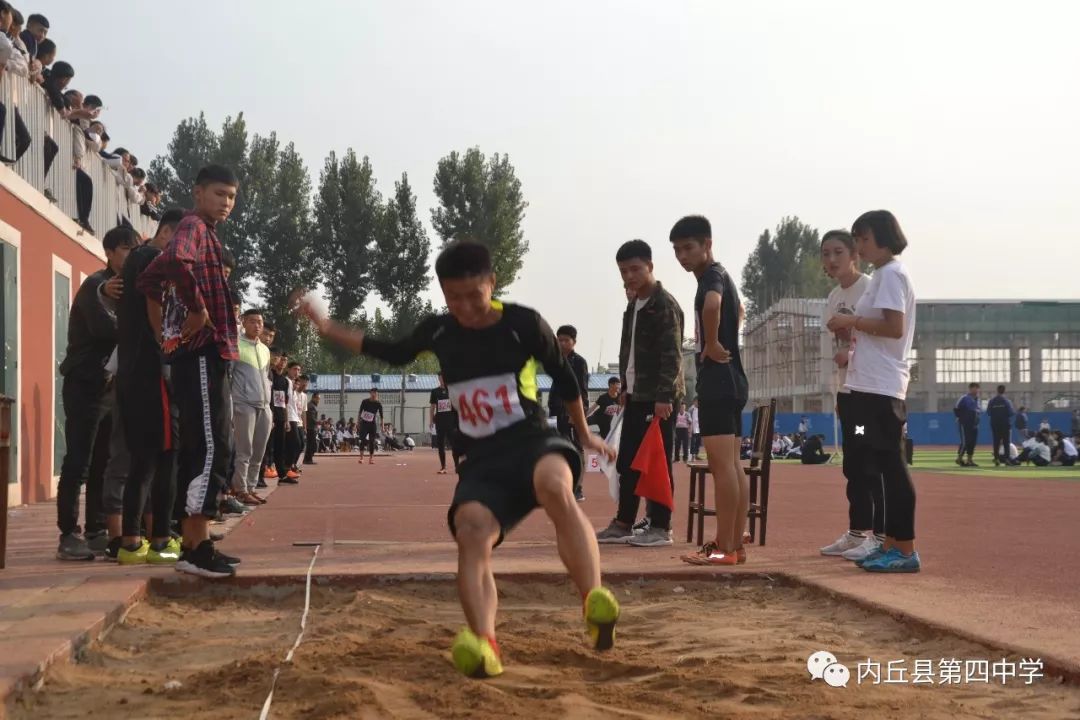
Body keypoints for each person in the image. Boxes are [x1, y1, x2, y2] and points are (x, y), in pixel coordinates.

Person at [296, 239, 620, 678]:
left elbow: (565, 381)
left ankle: (593, 599)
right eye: (453, 298)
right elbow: (388, 351)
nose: (465, 307)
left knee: (556, 488)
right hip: (483, 457)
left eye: (474, 295)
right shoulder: (439, 330)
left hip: (531, 439)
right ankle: (485, 642)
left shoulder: (523, 323)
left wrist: (584, 435)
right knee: (471, 531)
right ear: (443, 293)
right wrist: (327, 326)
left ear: (492, 283)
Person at [136, 164, 243, 578]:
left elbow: (149, 279)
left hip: (206, 353)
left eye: (231, 197)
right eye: (219, 193)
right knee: (209, 446)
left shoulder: (208, 235)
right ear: (198, 193)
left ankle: (196, 543)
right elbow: (173, 266)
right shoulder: (193, 226)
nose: (226, 203)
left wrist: (167, 328)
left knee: (210, 444)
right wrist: (192, 314)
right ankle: (195, 547)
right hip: (198, 352)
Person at [826, 210, 919, 573]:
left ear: (881, 237)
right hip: (866, 386)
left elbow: (894, 328)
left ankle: (904, 547)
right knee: (875, 462)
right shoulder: (883, 275)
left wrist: (852, 321)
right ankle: (890, 542)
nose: (859, 247)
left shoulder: (892, 274)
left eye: (862, 240)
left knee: (891, 468)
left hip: (882, 387)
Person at [667, 217, 750, 566]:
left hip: (719, 379)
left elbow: (714, 306)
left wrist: (714, 343)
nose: (682, 256)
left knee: (722, 467)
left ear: (707, 244)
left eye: (688, 248)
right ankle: (732, 543)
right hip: (732, 378)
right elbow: (740, 309)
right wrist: (724, 337)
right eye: (676, 250)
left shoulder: (712, 278)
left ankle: (726, 547)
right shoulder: (719, 276)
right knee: (732, 465)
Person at [54, 227, 137, 560]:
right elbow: (106, 330)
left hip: (110, 388)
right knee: (79, 461)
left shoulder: (129, 289)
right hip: (85, 385)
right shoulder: (95, 286)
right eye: (126, 249)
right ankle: (67, 535)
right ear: (110, 252)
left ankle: (96, 530)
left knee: (104, 460)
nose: (131, 256)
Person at [595, 240, 685, 548]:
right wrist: (624, 387)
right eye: (623, 271)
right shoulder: (633, 305)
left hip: (658, 398)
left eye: (635, 269)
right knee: (628, 463)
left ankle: (662, 526)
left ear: (650, 266)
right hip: (634, 395)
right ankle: (624, 523)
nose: (629, 276)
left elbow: (672, 355)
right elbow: (628, 352)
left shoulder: (665, 305)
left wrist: (664, 396)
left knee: (656, 462)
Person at [114, 211, 185, 565]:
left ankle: (133, 540)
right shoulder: (154, 259)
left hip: (134, 371)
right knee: (166, 456)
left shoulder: (137, 260)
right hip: (152, 371)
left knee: (144, 458)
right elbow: (156, 310)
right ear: (169, 232)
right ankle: (158, 541)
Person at [816, 229, 883, 562]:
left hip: (871, 389)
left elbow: (886, 336)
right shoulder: (832, 296)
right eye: (826, 253)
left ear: (854, 253)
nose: (831, 260)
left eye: (838, 252)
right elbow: (839, 338)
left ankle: (881, 536)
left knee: (873, 462)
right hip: (846, 391)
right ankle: (857, 532)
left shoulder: (869, 288)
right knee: (854, 464)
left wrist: (852, 356)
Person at [231, 309, 272, 505]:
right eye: (253, 321)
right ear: (244, 323)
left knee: (259, 450)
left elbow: (266, 377)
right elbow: (229, 376)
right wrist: (231, 405)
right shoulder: (235, 345)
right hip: (243, 404)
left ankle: (252, 487)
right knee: (244, 450)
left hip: (264, 406)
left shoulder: (265, 349)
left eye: (260, 322)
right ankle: (240, 489)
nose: (257, 325)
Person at [549, 325, 590, 501]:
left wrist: (578, 413)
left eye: (566, 340)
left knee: (576, 448)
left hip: (572, 412)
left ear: (574, 342)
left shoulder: (579, 362)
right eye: (560, 340)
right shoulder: (554, 359)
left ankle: (578, 487)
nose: (563, 343)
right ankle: (564, 483)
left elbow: (582, 389)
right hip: (557, 411)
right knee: (560, 448)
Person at [431, 374, 461, 474]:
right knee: (440, 445)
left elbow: (457, 405)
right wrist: (430, 420)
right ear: (438, 379)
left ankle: (457, 466)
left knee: (454, 444)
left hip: (451, 421)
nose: (442, 379)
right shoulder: (435, 392)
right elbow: (432, 407)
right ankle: (443, 467)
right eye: (440, 378)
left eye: (444, 377)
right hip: (440, 422)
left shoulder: (452, 390)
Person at [986, 385, 1017, 466]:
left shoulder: (992, 401)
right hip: (1005, 424)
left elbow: (988, 412)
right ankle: (1007, 459)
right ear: (1004, 391)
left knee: (996, 442)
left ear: (997, 390)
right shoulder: (1007, 401)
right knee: (1006, 442)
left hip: (995, 424)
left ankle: (996, 459)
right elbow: (1011, 413)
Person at [586, 376, 621, 441]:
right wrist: (583, 416)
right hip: (597, 417)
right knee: (583, 423)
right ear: (611, 385)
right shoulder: (603, 397)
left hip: (607, 422)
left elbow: (619, 411)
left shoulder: (620, 397)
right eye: (617, 384)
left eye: (619, 384)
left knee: (606, 439)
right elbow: (592, 408)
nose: (619, 386)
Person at [954, 383, 981, 467]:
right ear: (970, 389)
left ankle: (969, 460)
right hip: (964, 424)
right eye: (974, 388)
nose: (976, 390)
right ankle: (959, 458)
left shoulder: (977, 400)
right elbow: (956, 408)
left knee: (972, 442)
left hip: (974, 424)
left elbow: (978, 412)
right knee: (965, 442)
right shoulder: (964, 398)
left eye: (977, 388)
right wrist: (961, 418)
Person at [357, 388, 384, 464]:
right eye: (373, 392)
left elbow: (382, 416)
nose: (374, 394)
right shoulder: (365, 402)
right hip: (364, 424)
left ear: (377, 394)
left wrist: (382, 426)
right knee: (362, 440)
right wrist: (358, 422)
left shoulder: (378, 403)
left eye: (375, 393)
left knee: (372, 441)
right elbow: (360, 412)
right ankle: (361, 458)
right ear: (370, 393)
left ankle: (371, 458)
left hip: (372, 424)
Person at [304, 392, 320, 464]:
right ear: (313, 398)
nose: (318, 400)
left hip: (311, 427)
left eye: (319, 399)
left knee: (311, 444)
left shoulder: (312, 405)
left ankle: (307, 458)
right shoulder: (311, 406)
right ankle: (308, 459)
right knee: (312, 444)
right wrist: (319, 422)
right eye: (317, 398)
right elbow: (312, 418)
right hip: (311, 427)